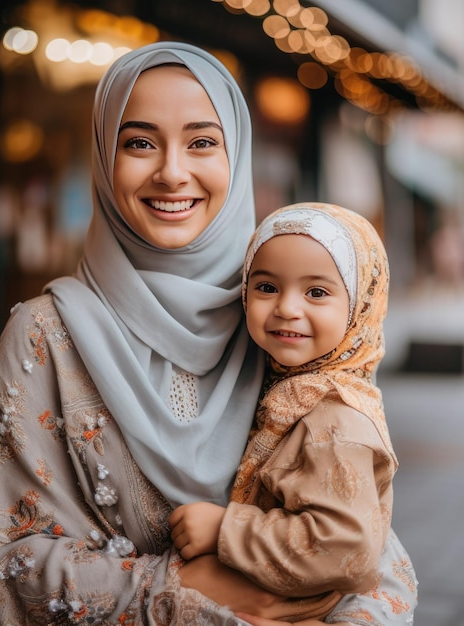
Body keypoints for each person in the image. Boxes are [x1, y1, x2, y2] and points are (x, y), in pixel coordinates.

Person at [0, 42, 417, 625]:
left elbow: (365, 545)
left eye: (203, 142)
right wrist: (189, 591)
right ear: (103, 159)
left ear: (237, 157)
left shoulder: (277, 320)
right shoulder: (44, 338)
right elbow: (16, 562)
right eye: (138, 143)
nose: (172, 172)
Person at [170, 202, 416, 624]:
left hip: (299, 605)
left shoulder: (336, 418)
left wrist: (225, 530)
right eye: (266, 287)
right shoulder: (285, 386)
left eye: (316, 292)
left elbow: (345, 549)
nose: (287, 307)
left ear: (360, 306)